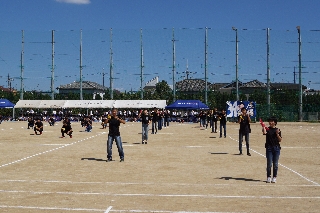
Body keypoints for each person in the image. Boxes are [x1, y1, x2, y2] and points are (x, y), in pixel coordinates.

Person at [262, 117, 282, 183]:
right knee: (269, 164)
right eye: (270, 121)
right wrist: (263, 127)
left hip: (276, 148)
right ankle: (268, 177)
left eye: (272, 121)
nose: (270, 122)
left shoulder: (278, 130)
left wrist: (277, 134)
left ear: (275, 122)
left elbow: (280, 140)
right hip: (269, 148)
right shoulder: (267, 129)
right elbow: (264, 133)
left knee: (275, 164)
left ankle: (274, 177)